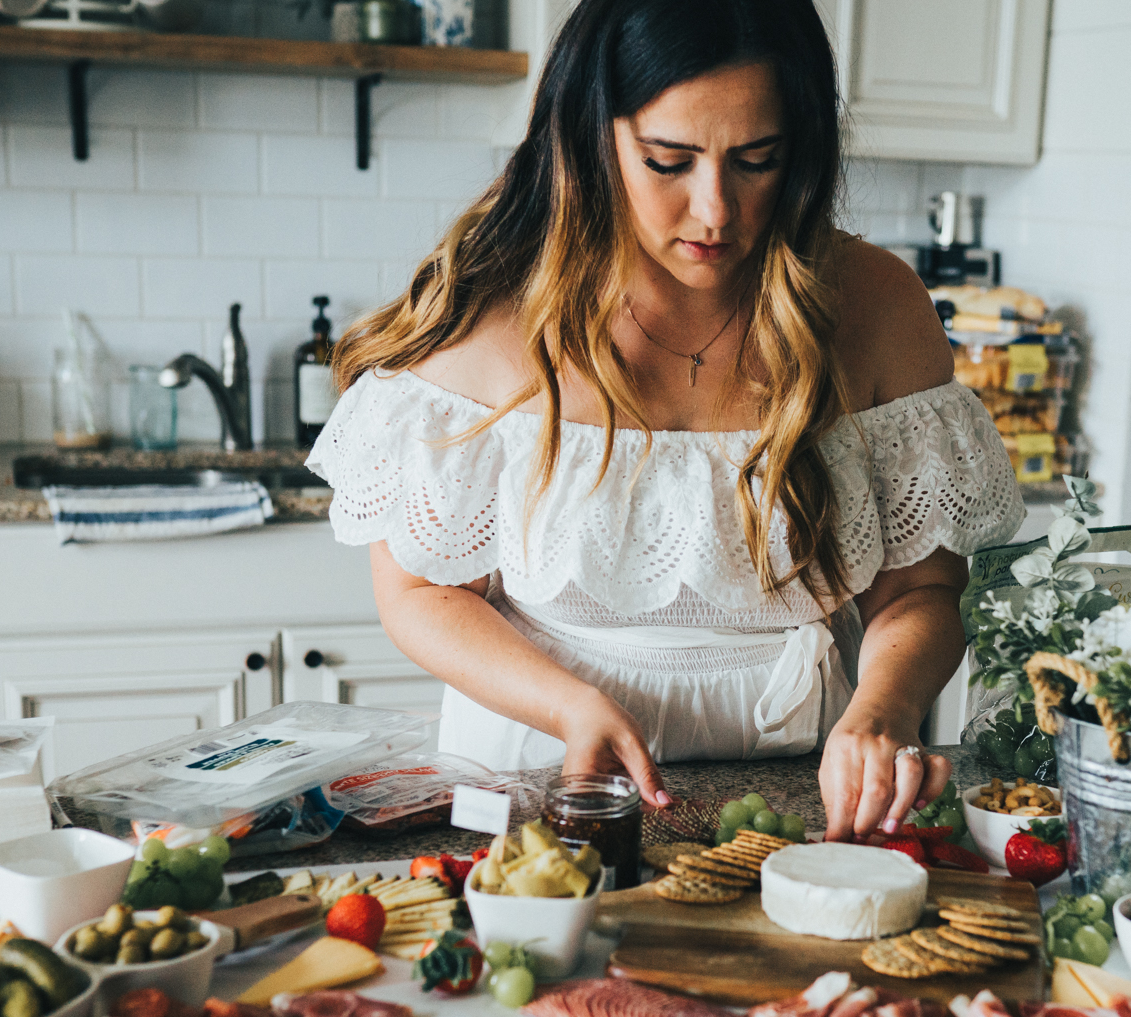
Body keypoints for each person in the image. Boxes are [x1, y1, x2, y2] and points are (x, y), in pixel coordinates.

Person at [307, 0, 1024, 840]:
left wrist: (884, 707)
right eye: (667, 160)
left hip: (798, 787)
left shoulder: (875, 304)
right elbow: (419, 591)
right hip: (544, 766)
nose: (715, 210)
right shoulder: (490, 306)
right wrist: (569, 705)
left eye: (757, 159)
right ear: (589, 140)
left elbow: (924, 587)